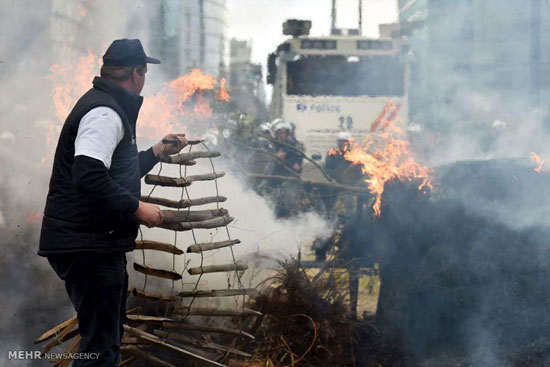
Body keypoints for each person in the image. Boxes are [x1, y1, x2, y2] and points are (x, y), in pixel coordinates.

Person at [38, 39, 188, 366]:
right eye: (145, 72)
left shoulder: (109, 106)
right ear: (136, 73)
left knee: (104, 343)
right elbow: (89, 174)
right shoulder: (105, 111)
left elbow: (114, 171)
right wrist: (139, 208)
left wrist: (155, 153)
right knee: (100, 351)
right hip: (89, 246)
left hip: (95, 244)